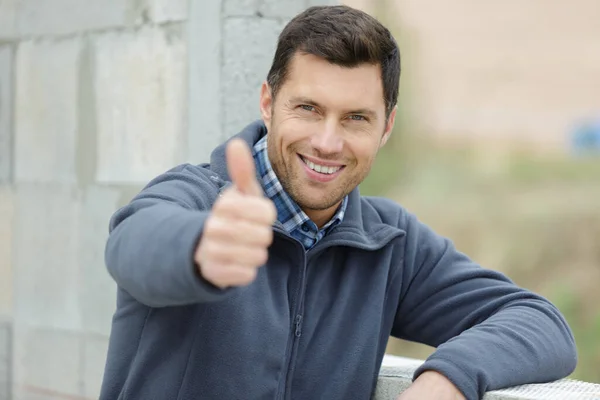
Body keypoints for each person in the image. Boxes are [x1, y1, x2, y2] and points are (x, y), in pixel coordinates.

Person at [99, 5, 577, 400]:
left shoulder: (391, 244)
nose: (328, 142)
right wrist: (201, 249)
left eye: (355, 118)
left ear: (386, 127)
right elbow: (133, 246)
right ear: (268, 103)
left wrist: (447, 377)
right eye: (308, 109)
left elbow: (540, 322)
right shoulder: (195, 200)